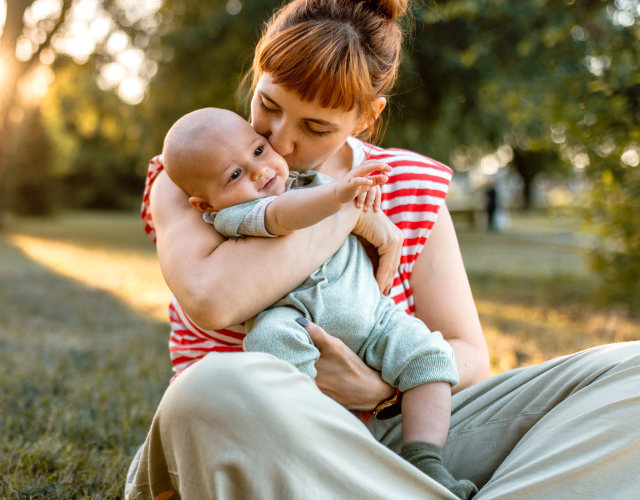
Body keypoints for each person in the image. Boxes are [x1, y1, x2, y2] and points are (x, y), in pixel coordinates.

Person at [126, 0, 640, 498]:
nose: (280, 143)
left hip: (397, 435)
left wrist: (380, 390)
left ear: (367, 117)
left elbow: (468, 354)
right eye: (269, 104)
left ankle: (420, 482)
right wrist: (348, 207)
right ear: (257, 73)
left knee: (631, 375)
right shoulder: (196, 172)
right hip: (261, 439)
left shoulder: (410, 184)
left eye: (316, 127)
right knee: (210, 388)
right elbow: (212, 299)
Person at [160, 107, 475, 497]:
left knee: (429, 355)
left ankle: (426, 461)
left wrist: (358, 199)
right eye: (235, 175)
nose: (258, 171)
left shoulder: (311, 180)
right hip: (295, 318)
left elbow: (473, 353)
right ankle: (312, 447)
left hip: (374, 318)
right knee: (271, 347)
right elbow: (283, 216)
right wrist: (342, 200)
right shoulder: (235, 214)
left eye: (258, 151)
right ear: (205, 205)